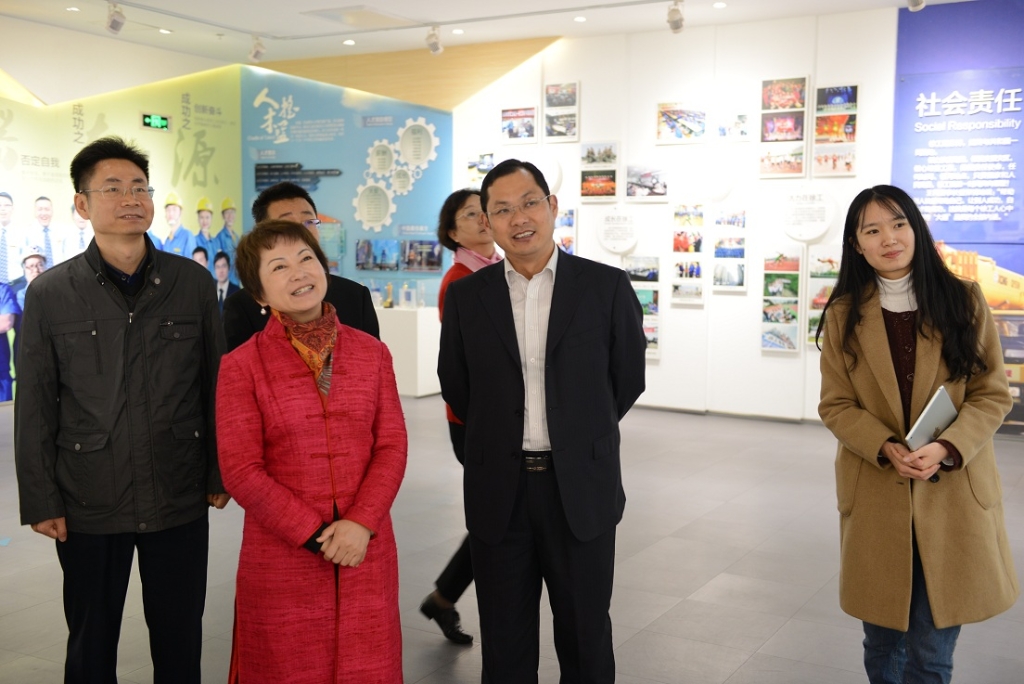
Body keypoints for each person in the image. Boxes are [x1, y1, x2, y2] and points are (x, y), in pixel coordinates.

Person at [14, 135, 229, 684]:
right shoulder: (51, 293)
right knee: (91, 640)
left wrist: (218, 471)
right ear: (82, 204)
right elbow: (35, 404)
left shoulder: (192, 283)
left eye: (140, 187)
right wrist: (41, 498)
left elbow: (217, 385)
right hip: (89, 495)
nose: (131, 198)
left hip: (177, 490)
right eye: (112, 188)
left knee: (180, 636)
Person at [438, 159, 647, 683]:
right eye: (502, 210)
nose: (519, 218)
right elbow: (457, 385)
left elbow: (626, 378)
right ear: (488, 221)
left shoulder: (605, 287)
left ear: (552, 206)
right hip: (499, 491)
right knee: (504, 645)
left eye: (530, 202)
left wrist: (577, 432)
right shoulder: (467, 297)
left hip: (580, 488)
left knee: (585, 638)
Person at [816, 185, 1018, 684]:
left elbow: (991, 394)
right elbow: (836, 404)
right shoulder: (843, 314)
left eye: (898, 224)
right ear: (856, 244)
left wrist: (948, 446)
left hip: (951, 490)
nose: (888, 238)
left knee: (931, 653)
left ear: (917, 229)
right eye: (872, 230)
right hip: (877, 489)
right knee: (882, 644)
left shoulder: (962, 300)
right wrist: (884, 446)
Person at [216, 219, 406, 683]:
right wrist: (315, 534)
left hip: (366, 547)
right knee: (287, 667)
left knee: (369, 665)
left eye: (306, 259)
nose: (298, 272)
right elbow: (241, 470)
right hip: (282, 555)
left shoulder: (372, 353)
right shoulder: (241, 366)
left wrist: (361, 523)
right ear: (258, 293)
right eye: (278, 266)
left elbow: (391, 444)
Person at [419, 189, 501, 645]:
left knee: (499, 515)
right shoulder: (459, 280)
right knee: (497, 517)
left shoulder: (500, 269)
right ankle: (446, 597)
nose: (483, 219)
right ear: (452, 232)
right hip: (473, 420)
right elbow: (461, 363)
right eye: (471, 214)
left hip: (503, 417)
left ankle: (443, 597)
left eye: (484, 210)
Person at [222, 181, 379, 350]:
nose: (302, 232)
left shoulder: (356, 296)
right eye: (287, 225)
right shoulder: (240, 307)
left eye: (309, 222)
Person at [24, 196, 57, 267]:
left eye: (47, 209)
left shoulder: (61, 232)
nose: (43, 213)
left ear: (52, 211)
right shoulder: (27, 233)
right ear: (35, 212)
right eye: (40, 209)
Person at [161, 191, 196, 257]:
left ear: (180, 212)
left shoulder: (187, 236)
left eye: (174, 209)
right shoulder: (167, 241)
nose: (171, 213)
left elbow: (191, 262)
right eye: (168, 210)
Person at [0, 191, 23, 283]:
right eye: (0, 205)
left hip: (16, 285)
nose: (3, 209)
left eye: (7, 205)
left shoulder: (21, 233)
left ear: (12, 209)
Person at [213, 250, 239, 314]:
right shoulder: (210, 291)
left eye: (224, 266)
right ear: (214, 269)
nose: (221, 271)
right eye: (218, 267)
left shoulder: (236, 291)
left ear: (229, 268)